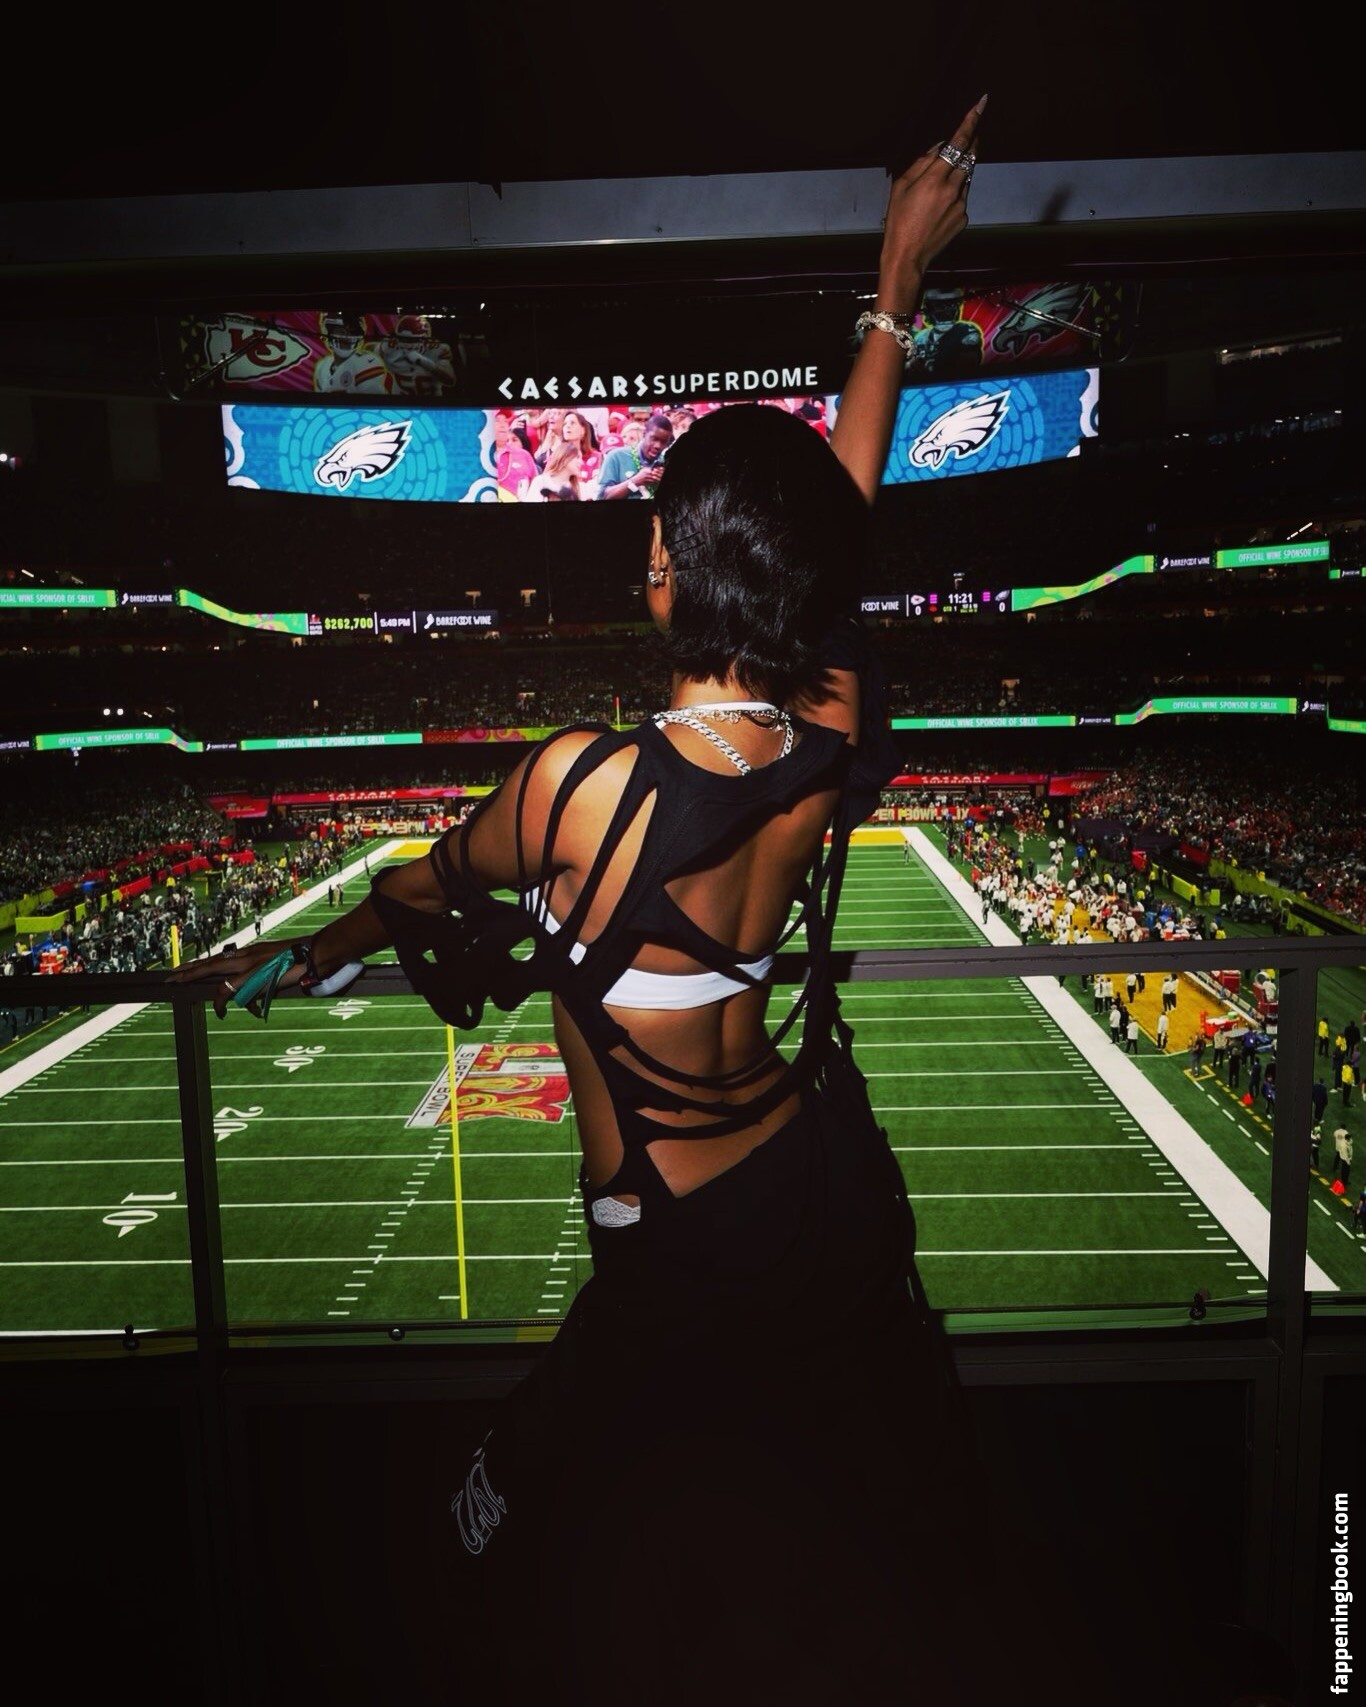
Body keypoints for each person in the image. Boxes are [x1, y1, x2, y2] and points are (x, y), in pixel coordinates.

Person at [171, 101, 1048, 1707]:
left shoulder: (580, 785)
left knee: (547, 1547)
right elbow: (840, 514)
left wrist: (313, 947)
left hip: (670, 1233)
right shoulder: (824, 733)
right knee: (832, 1530)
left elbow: (417, 884)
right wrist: (894, 283)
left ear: (667, 570)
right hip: (813, 1185)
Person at [594, 411, 673, 499]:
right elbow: (602, 497)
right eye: (654, 439)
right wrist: (634, 481)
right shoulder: (616, 457)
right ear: (644, 434)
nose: (658, 446)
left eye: (664, 442)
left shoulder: (667, 464)